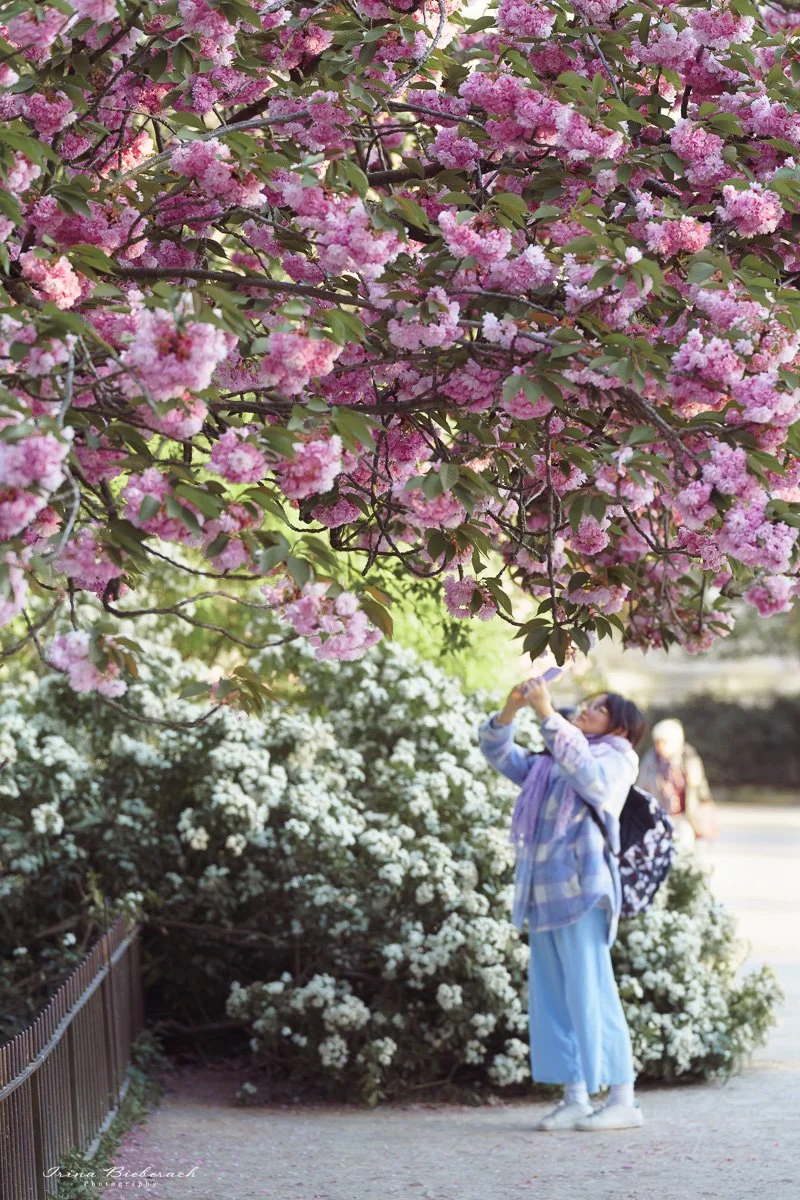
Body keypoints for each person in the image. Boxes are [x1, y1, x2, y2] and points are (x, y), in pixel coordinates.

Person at [478, 678, 645, 1131]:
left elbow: (589, 779)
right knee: (553, 997)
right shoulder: (553, 760)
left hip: (583, 890)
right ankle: (574, 1096)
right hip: (543, 893)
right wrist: (510, 711)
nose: (586, 710)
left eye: (599, 709)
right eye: (586, 705)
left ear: (621, 728)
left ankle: (622, 1098)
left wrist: (549, 716)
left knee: (593, 990)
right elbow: (502, 756)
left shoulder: (616, 758)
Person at [638, 718, 718, 850]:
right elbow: (641, 789)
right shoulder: (650, 761)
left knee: (685, 853)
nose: (660, 747)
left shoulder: (689, 758)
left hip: (685, 816)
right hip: (658, 817)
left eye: (664, 742)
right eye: (657, 742)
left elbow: (701, 789)